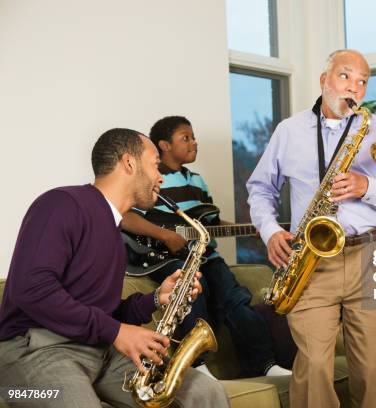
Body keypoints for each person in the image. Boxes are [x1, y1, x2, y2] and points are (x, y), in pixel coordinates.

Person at [0, 128, 229, 407]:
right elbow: (32, 289)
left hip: (99, 350)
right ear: (129, 163)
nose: (161, 177)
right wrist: (117, 332)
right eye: (155, 164)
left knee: (206, 393)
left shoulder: (115, 227)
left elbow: (100, 312)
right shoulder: (61, 203)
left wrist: (156, 299)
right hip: (33, 352)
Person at [247, 49, 376, 408]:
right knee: (312, 368)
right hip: (311, 259)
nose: (353, 88)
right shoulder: (289, 131)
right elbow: (260, 188)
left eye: (362, 82)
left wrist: (366, 186)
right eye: (345, 77)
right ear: (324, 80)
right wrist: (270, 231)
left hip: (373, 254)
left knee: (374, 371)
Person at [121, 116, 291, 378]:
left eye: (193, 137)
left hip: (206, 256)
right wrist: (163, 235)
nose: (193, 142)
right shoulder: (152, 181)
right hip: (168, 259)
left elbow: (210, 222)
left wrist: (254, 229)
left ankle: (265, 364)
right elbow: (127, 217)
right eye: (185, 138)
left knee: (237, 299)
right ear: (164, 145)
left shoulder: (197, 181)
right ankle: (198, 366)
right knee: (195, 294)